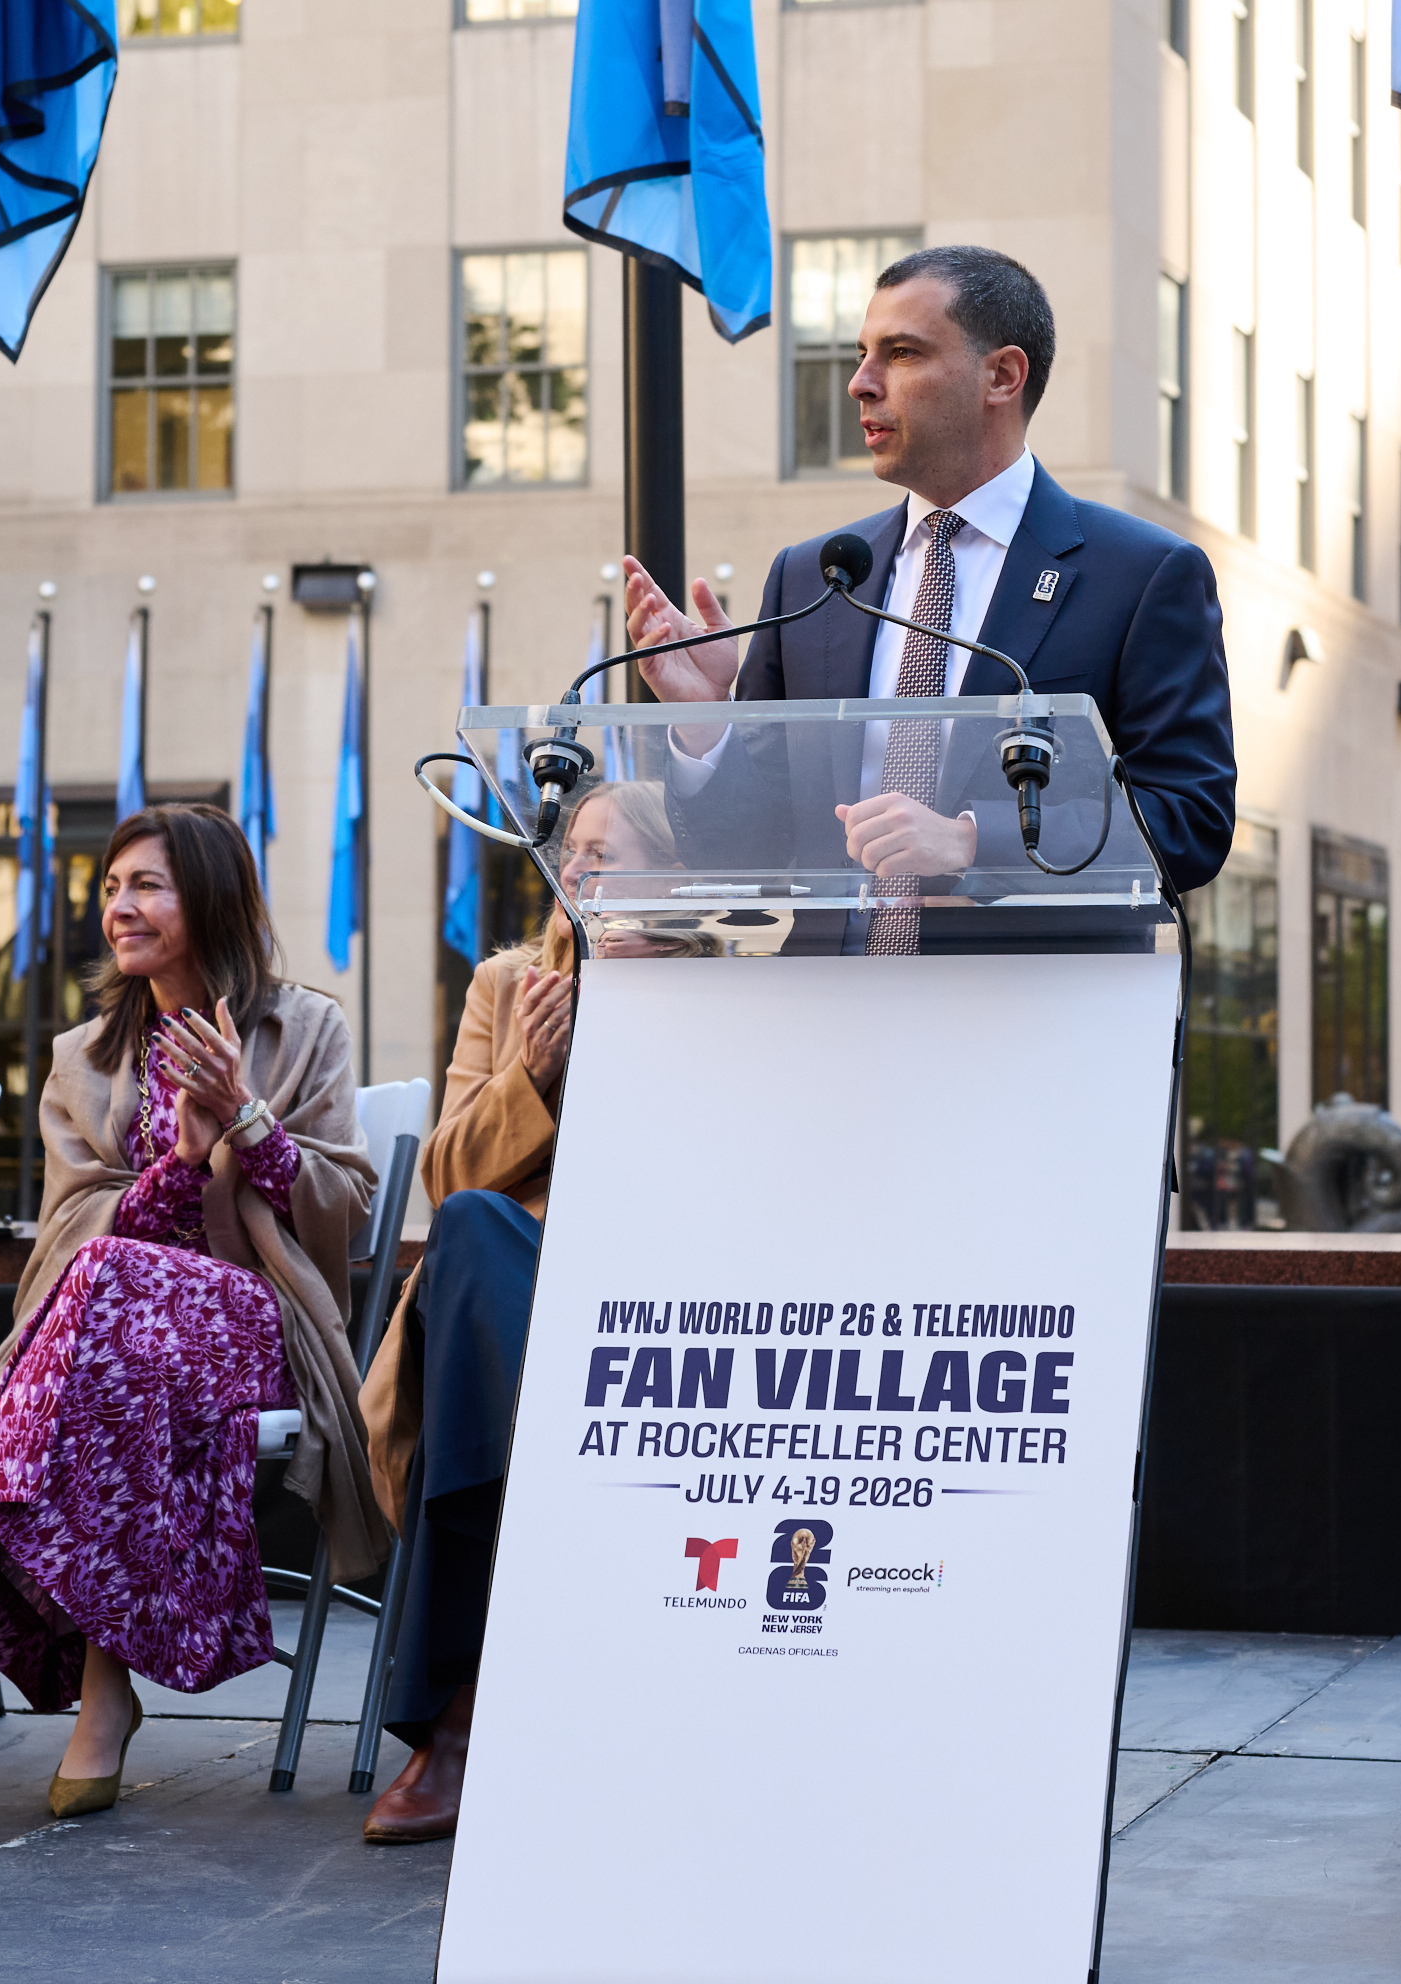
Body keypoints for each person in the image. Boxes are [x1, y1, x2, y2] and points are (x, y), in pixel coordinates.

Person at [0, 805, 385, 1819]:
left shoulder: (306, 1026)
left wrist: (245, 1121)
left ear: (211, 898)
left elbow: (347, 1209)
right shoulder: (86, 1055)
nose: (120, 907)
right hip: (116, 1346)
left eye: (146, 885)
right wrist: (180, 1168)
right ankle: (103, 1701)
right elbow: (70, 1230)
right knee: (119, 1312)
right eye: (111, 887)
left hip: (259, 1324)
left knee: (113, 1291)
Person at [619, 243, 1235, 903]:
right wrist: (708, 726)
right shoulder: (814, 580)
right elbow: (743, 852)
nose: (860, 382)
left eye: (902, 353)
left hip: (1033, 999)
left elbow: (1189, 821)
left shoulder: (1140, 576)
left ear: (1002, 376)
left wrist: (972, 841)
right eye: (862, 354)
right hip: (832, 997)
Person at [356, 780, 682, 1844]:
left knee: (480, 1301)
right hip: (517, 1287)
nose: (580, 870)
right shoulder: (511, 985)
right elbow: (447, 1177)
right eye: (572, 852)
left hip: (662, 1281)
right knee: (474, 1233)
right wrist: (534, 1076)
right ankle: (461, 1716)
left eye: (609, 852)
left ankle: (458, 1712)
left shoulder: (727, 977)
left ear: (674, 875)